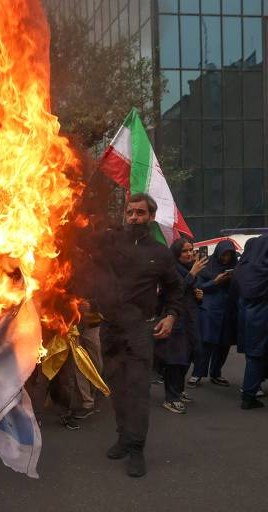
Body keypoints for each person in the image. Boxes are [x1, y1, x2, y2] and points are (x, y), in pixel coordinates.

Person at [91, 193, 182, 477]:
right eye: (130, 213)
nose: (134, 218)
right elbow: (89, 270)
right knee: (117, 388)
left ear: (151, 217)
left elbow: (175, 289)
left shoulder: (160, 252)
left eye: (140, 213)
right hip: (110, 328)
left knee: (138, 391)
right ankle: (122, 437)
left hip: (140, 330)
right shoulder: (110, 245)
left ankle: (137, 449)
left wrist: (171, 315)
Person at [158, 238, 206, 414]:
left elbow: (188, 293)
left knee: (188, 356)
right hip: (175, 320)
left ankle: (178, 390)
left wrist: (199, 296)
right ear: (176, 253)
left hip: (190, 320)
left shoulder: (188, 269)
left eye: (191, 250)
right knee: (175, 359)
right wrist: (192, 274)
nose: (189, 254)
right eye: (185, 251)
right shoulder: (170, 270)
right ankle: (171, 398)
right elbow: (174, 291)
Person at [189, 240, 238, 387]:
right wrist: (215, 282)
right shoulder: (207, 267)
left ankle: (216, 373)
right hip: (210, 310)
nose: (226, 258)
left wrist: (234, 279)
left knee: (224, 345)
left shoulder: (236, 267)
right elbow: (198, 288)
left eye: (229, 255)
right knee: (206, 344)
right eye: (224, 255)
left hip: (228, 310)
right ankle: (197, 374)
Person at [233, 235, 268, 409]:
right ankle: (249, 395)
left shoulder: (243, 268)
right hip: (262, 316)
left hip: (247, 314)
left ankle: (251, 391)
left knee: (253, 355)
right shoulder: (264, 270)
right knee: (256, 355)